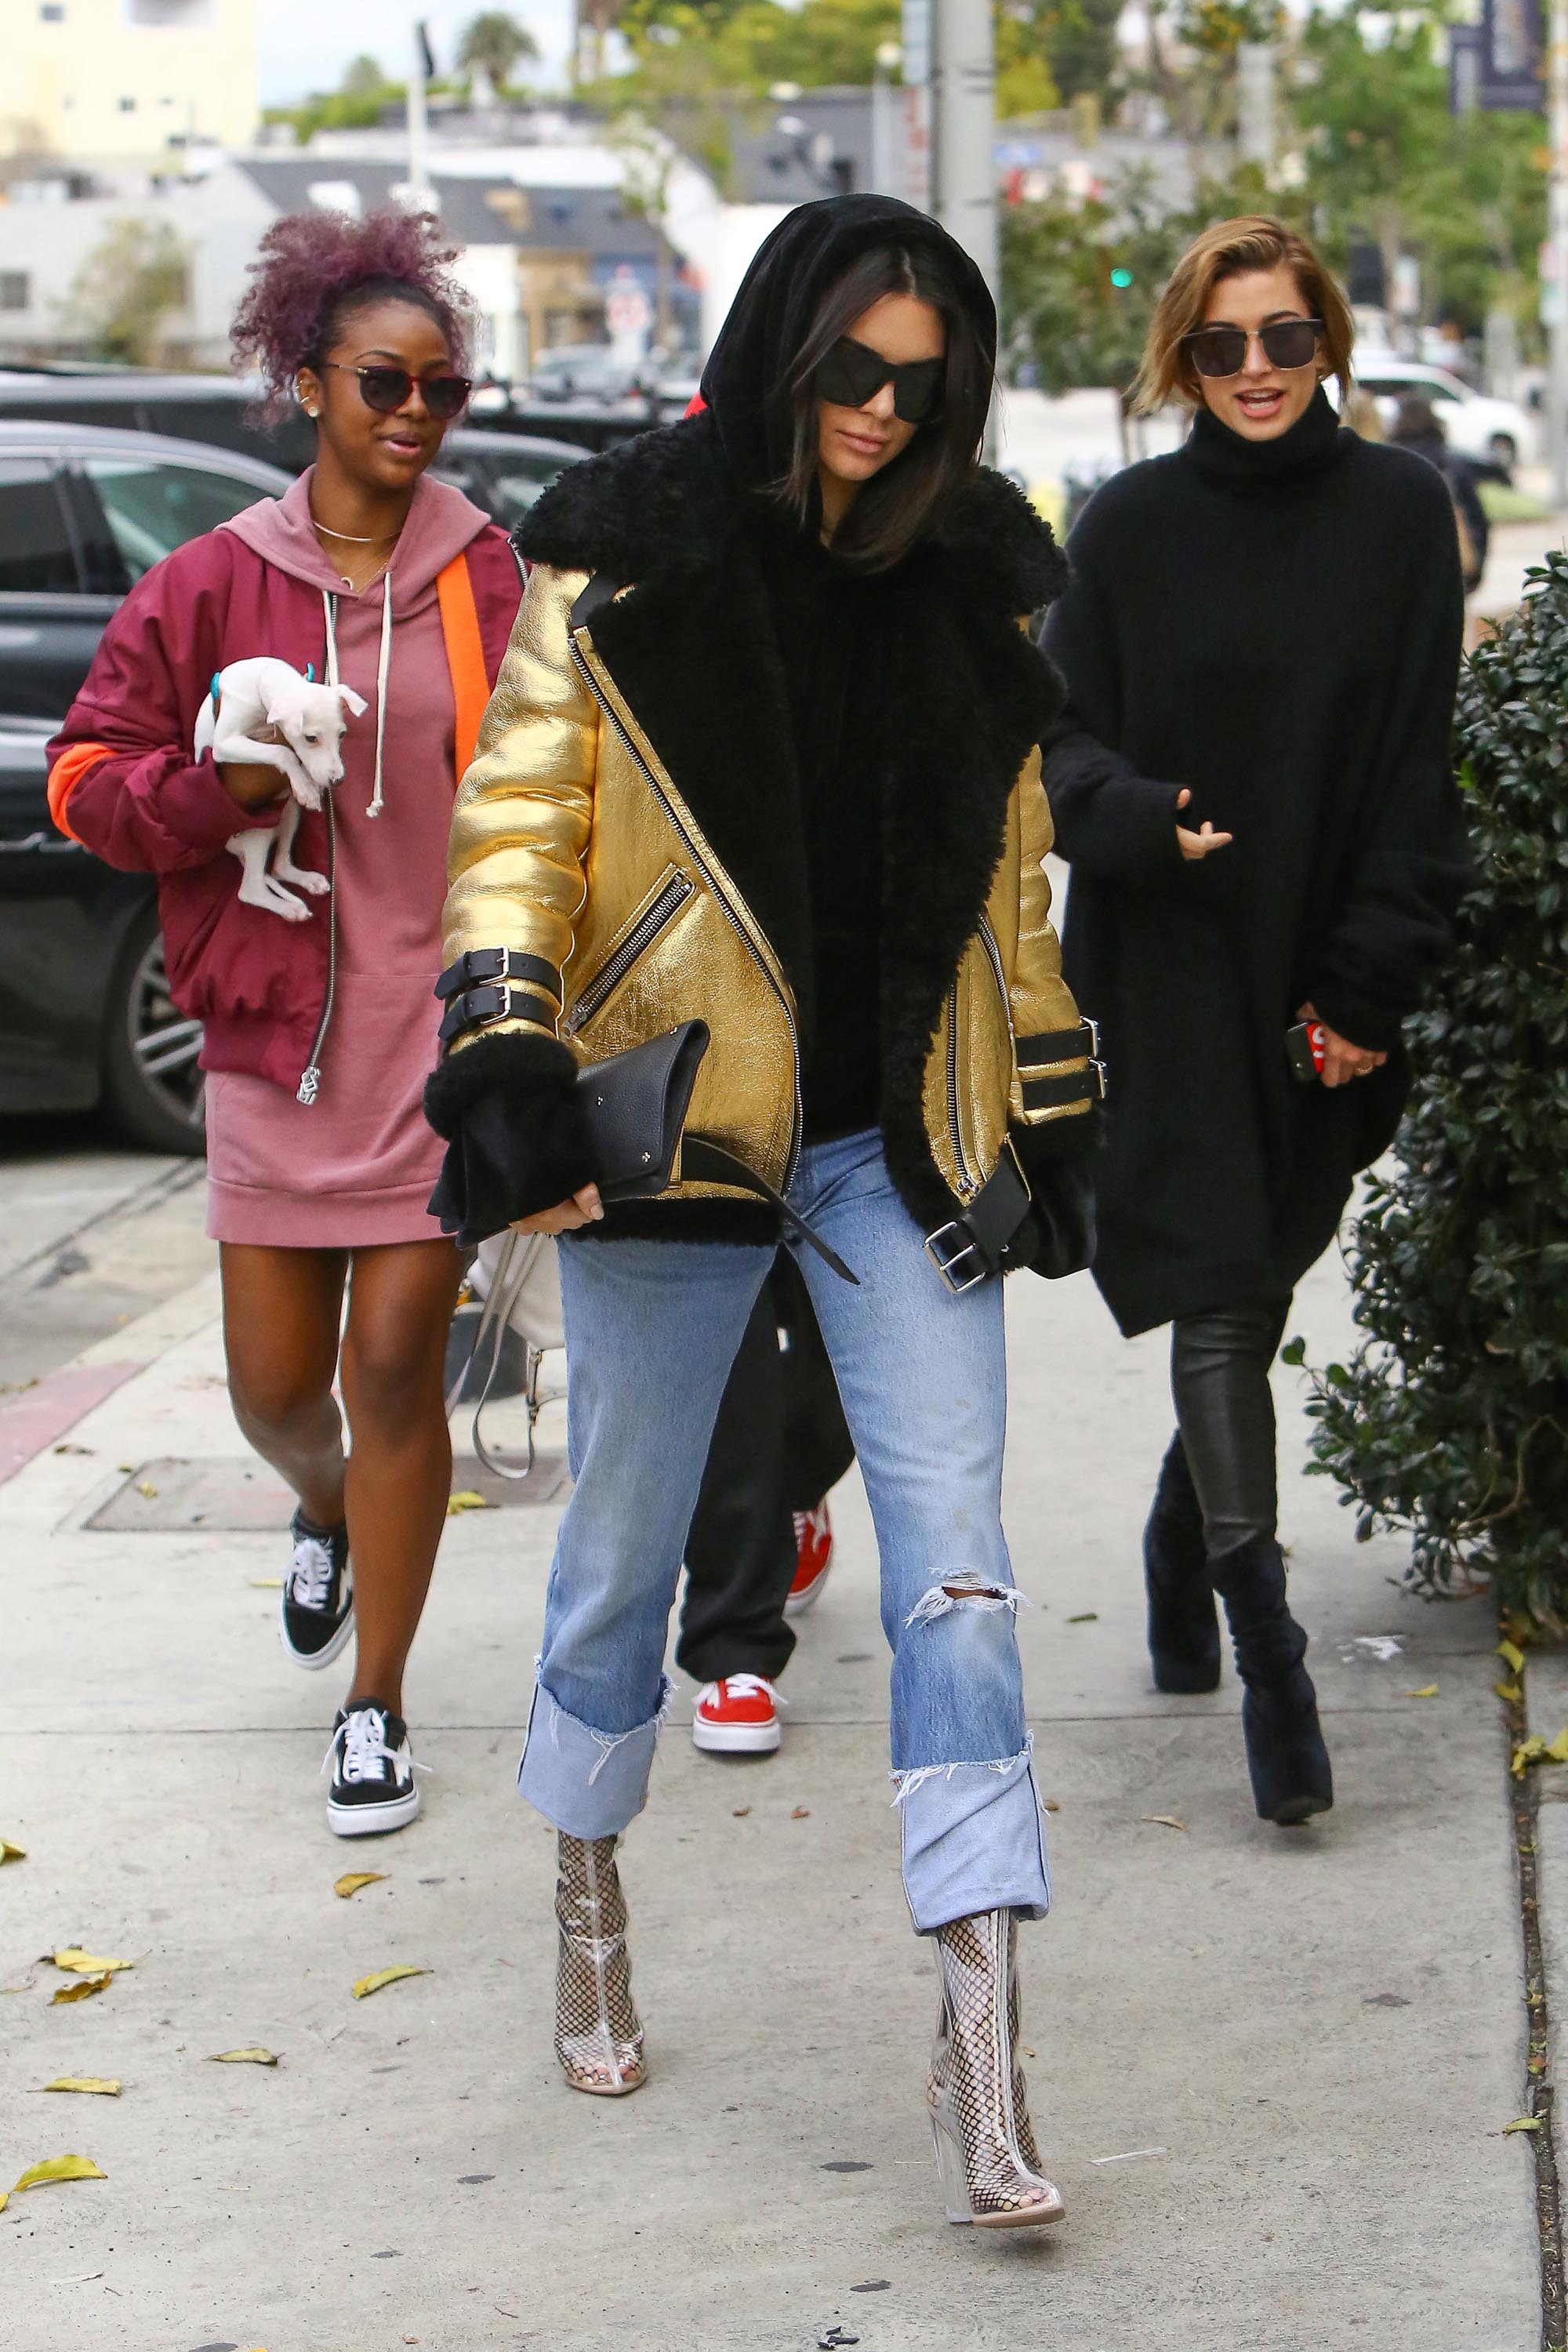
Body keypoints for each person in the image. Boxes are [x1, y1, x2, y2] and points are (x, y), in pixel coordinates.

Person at [424, 193, 1099, 2228]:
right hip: (679, 1127)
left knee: (960, 1566)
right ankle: (587, 1874)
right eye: (854, 371)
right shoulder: (624, 548)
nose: (887, 413)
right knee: (624, 1556)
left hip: (892, 1142)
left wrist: (1048, 1093)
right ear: (785, 344)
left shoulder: (975, 584)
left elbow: (1015, 878)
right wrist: (510, 1050)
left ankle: (981, 2038)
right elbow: (523, 821)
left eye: (926, 383)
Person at [48, 207, 521, 1837]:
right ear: (306, 378)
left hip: (435, 1036)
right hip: (275, 1041)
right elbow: (83, 782)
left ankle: (375, 1702)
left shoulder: (483, 574)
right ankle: (318, 1507)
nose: (413, 408)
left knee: (397, 1365)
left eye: (442, 386)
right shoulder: (206, 581)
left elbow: (548, 790)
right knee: (274, 1390)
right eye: (383, 378)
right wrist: (220, 789)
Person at [1039, 216, 1468, 1828]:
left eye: (1285, 337)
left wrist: (1367, 986)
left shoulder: (1398, 513)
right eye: (1222, 345)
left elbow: (1416, 770)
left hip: (1316, 971)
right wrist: (1143, 818)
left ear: (1329, 340)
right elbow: (1056, 752)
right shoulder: (1127, 529)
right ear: (1180, 358)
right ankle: (1268, 1656)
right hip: (1163, 971)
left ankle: (1178, 1530)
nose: (1257, 371)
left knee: (1258, 1268)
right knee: (1221, 1301)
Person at [681, 1251, 854, 1756]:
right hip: (714, 1178)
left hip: (851, 1171)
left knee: (862, 1324)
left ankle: (798, 1482)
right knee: (729, 1332)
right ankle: (734, 1645)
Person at [1388, 393, 1490, 594]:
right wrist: (1476, 570)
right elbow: (1478, 520)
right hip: (1448, 568)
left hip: (1398, 574)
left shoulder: (1385, 463)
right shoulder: (1452, 465)